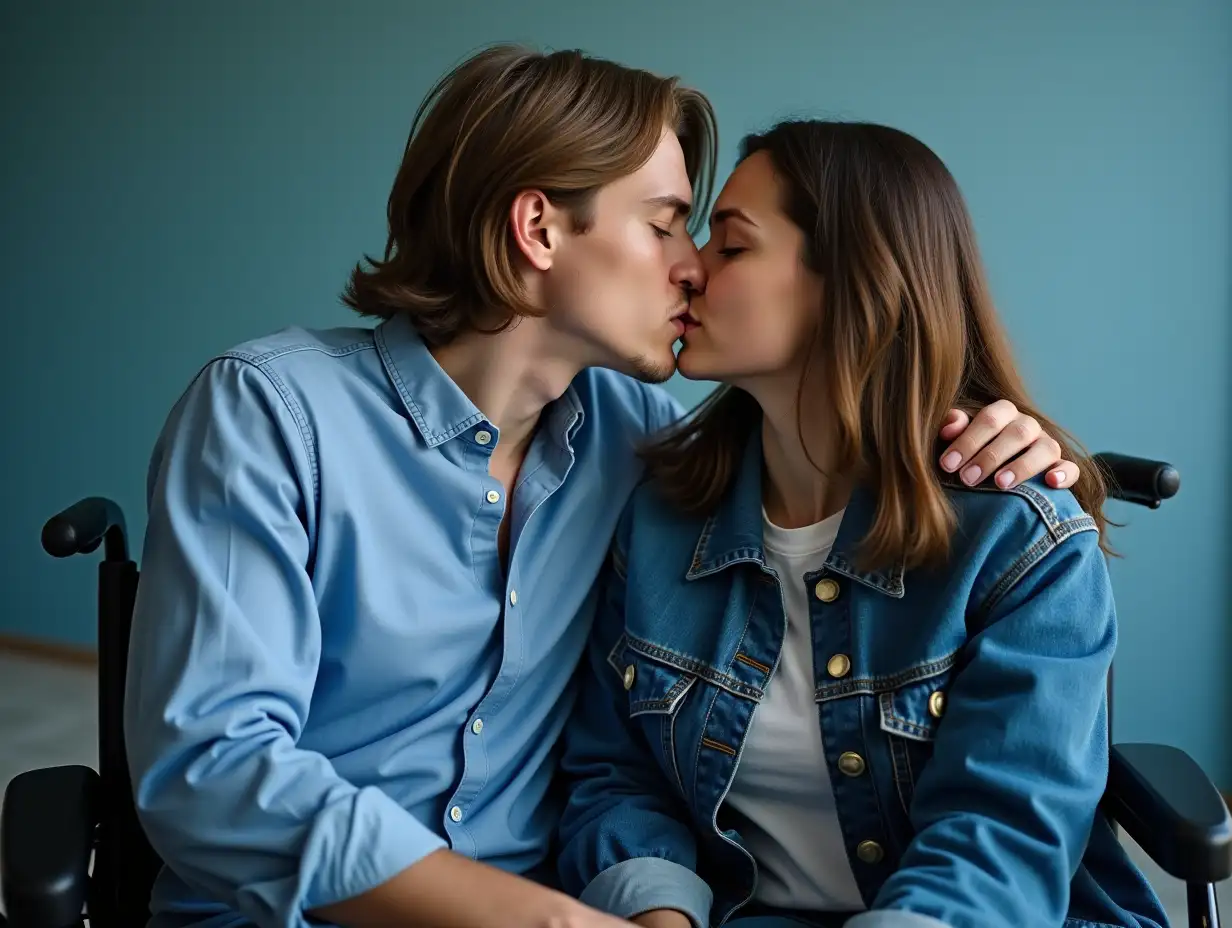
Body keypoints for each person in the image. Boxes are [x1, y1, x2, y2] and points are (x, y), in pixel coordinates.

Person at [123, 46, 1087, 928]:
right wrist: (546, 921)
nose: (691, 267)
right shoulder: (274, 414)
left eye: (713, 238)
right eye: (668, 223)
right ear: (538, 226)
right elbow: (211, 772)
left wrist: (1014, 440)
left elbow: (848, 432)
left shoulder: (646, 441)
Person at [555, 120, 1170, 928]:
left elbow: (999, 841)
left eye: (732, 247)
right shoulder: (661, 518)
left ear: (851, 283)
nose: (689, 269)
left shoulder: (1017, 540)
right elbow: (613, 774)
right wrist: (658, 916)